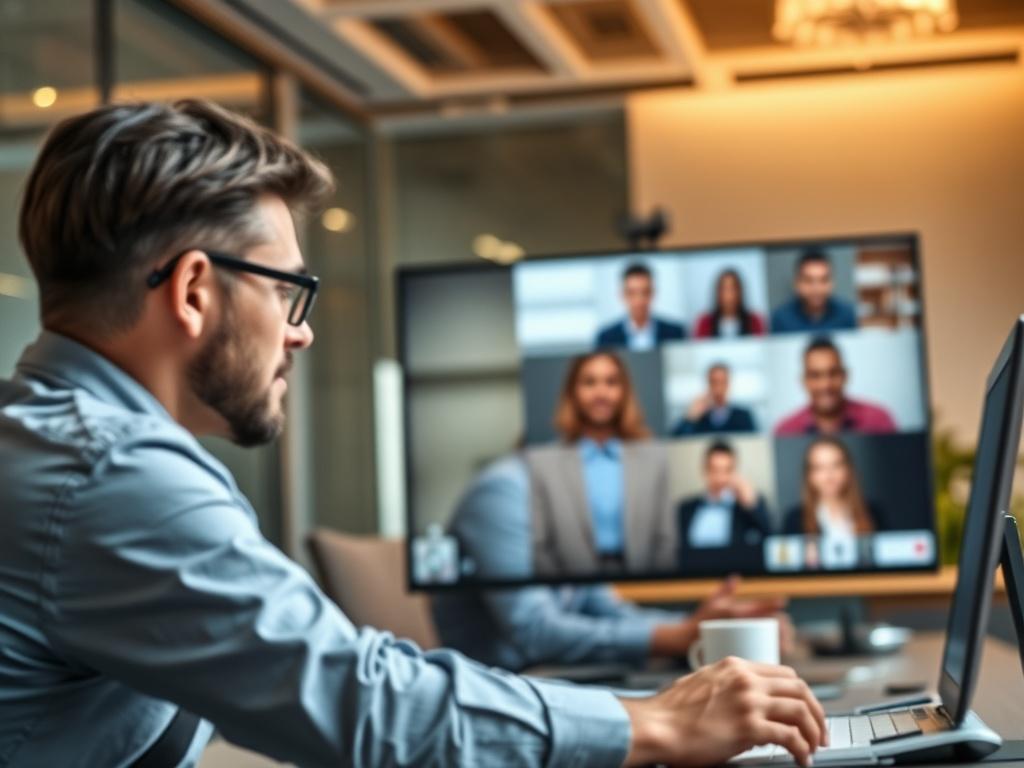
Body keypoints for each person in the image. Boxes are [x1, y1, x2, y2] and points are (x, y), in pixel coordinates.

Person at [0, 100, 827, 768]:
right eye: (289, 290)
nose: (301, 331)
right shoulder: (109, 473)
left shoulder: (50, 445)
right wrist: (655, 726)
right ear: (192, 290)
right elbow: (357, 702)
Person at [432, 455, 790, 671]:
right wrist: (674, 638)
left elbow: (602, 606)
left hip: (554, 675)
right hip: (504, 684)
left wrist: (699, 629)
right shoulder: (502, 493)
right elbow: (534, 631)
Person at [530, 352, 677, 577]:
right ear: (572, 392)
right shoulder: (542, 464)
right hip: (571, 599)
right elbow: (540, 547)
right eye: (589, 382)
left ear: (624, 391)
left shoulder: (655, 459)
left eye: (611, 382)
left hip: (647, 593)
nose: (601, 393)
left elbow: (666, 541)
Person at [782, 437, 879, 570]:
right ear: (809, 475)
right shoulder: (794, 519)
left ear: (848, 470)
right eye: (819, 468)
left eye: (836, 465)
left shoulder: (873, 513)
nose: (829, 476)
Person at [677, 441, 773, 574]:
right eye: (714, 470)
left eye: (727, 471)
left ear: (735, 471)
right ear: (704, 470)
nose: (720, 478)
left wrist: (752, 506)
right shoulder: (685, 509)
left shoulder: (746, 506)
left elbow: (771, 542)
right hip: (692, 581)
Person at [775, 337, 897, 435]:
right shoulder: (786, 430)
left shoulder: (878, 421)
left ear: (845, 376)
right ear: (804, 381)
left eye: (833, 373)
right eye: (815, 375)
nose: (825, 385)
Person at [594, 262, 686, 349]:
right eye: (632, 293)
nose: (639, 300)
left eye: (645, 292)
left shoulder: (675, 333)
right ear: (622, 295)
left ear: (653, 294)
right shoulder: (606, 338)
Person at [770, 250, 857, 333]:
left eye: (824, 280)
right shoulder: (781, 319)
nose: (816, 288)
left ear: (832, 282)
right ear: (796, 283)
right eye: (808, 280)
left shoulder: (847, 315)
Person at [672, 362, 757, 436]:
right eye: (714, 382)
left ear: (729, 384)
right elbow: (676, 441)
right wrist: (690, 418)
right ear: (708, 384)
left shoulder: (743, 417)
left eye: (722, 382)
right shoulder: (699, 418)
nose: (718, 388)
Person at [694, 269, 766, 338]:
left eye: (733, 289)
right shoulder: (705, 323)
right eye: (725, 289)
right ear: (717, 293)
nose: (729, 295)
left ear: (740, 291)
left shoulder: (754, 321)